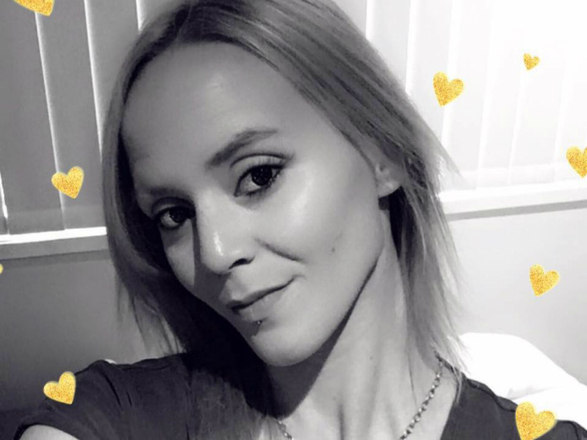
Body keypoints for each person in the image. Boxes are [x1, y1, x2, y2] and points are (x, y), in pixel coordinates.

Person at [13, 0, 587, 439]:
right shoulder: (121, 412)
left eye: (258, 175)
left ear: (382, 153)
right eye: (175, 214)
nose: (214, 252)